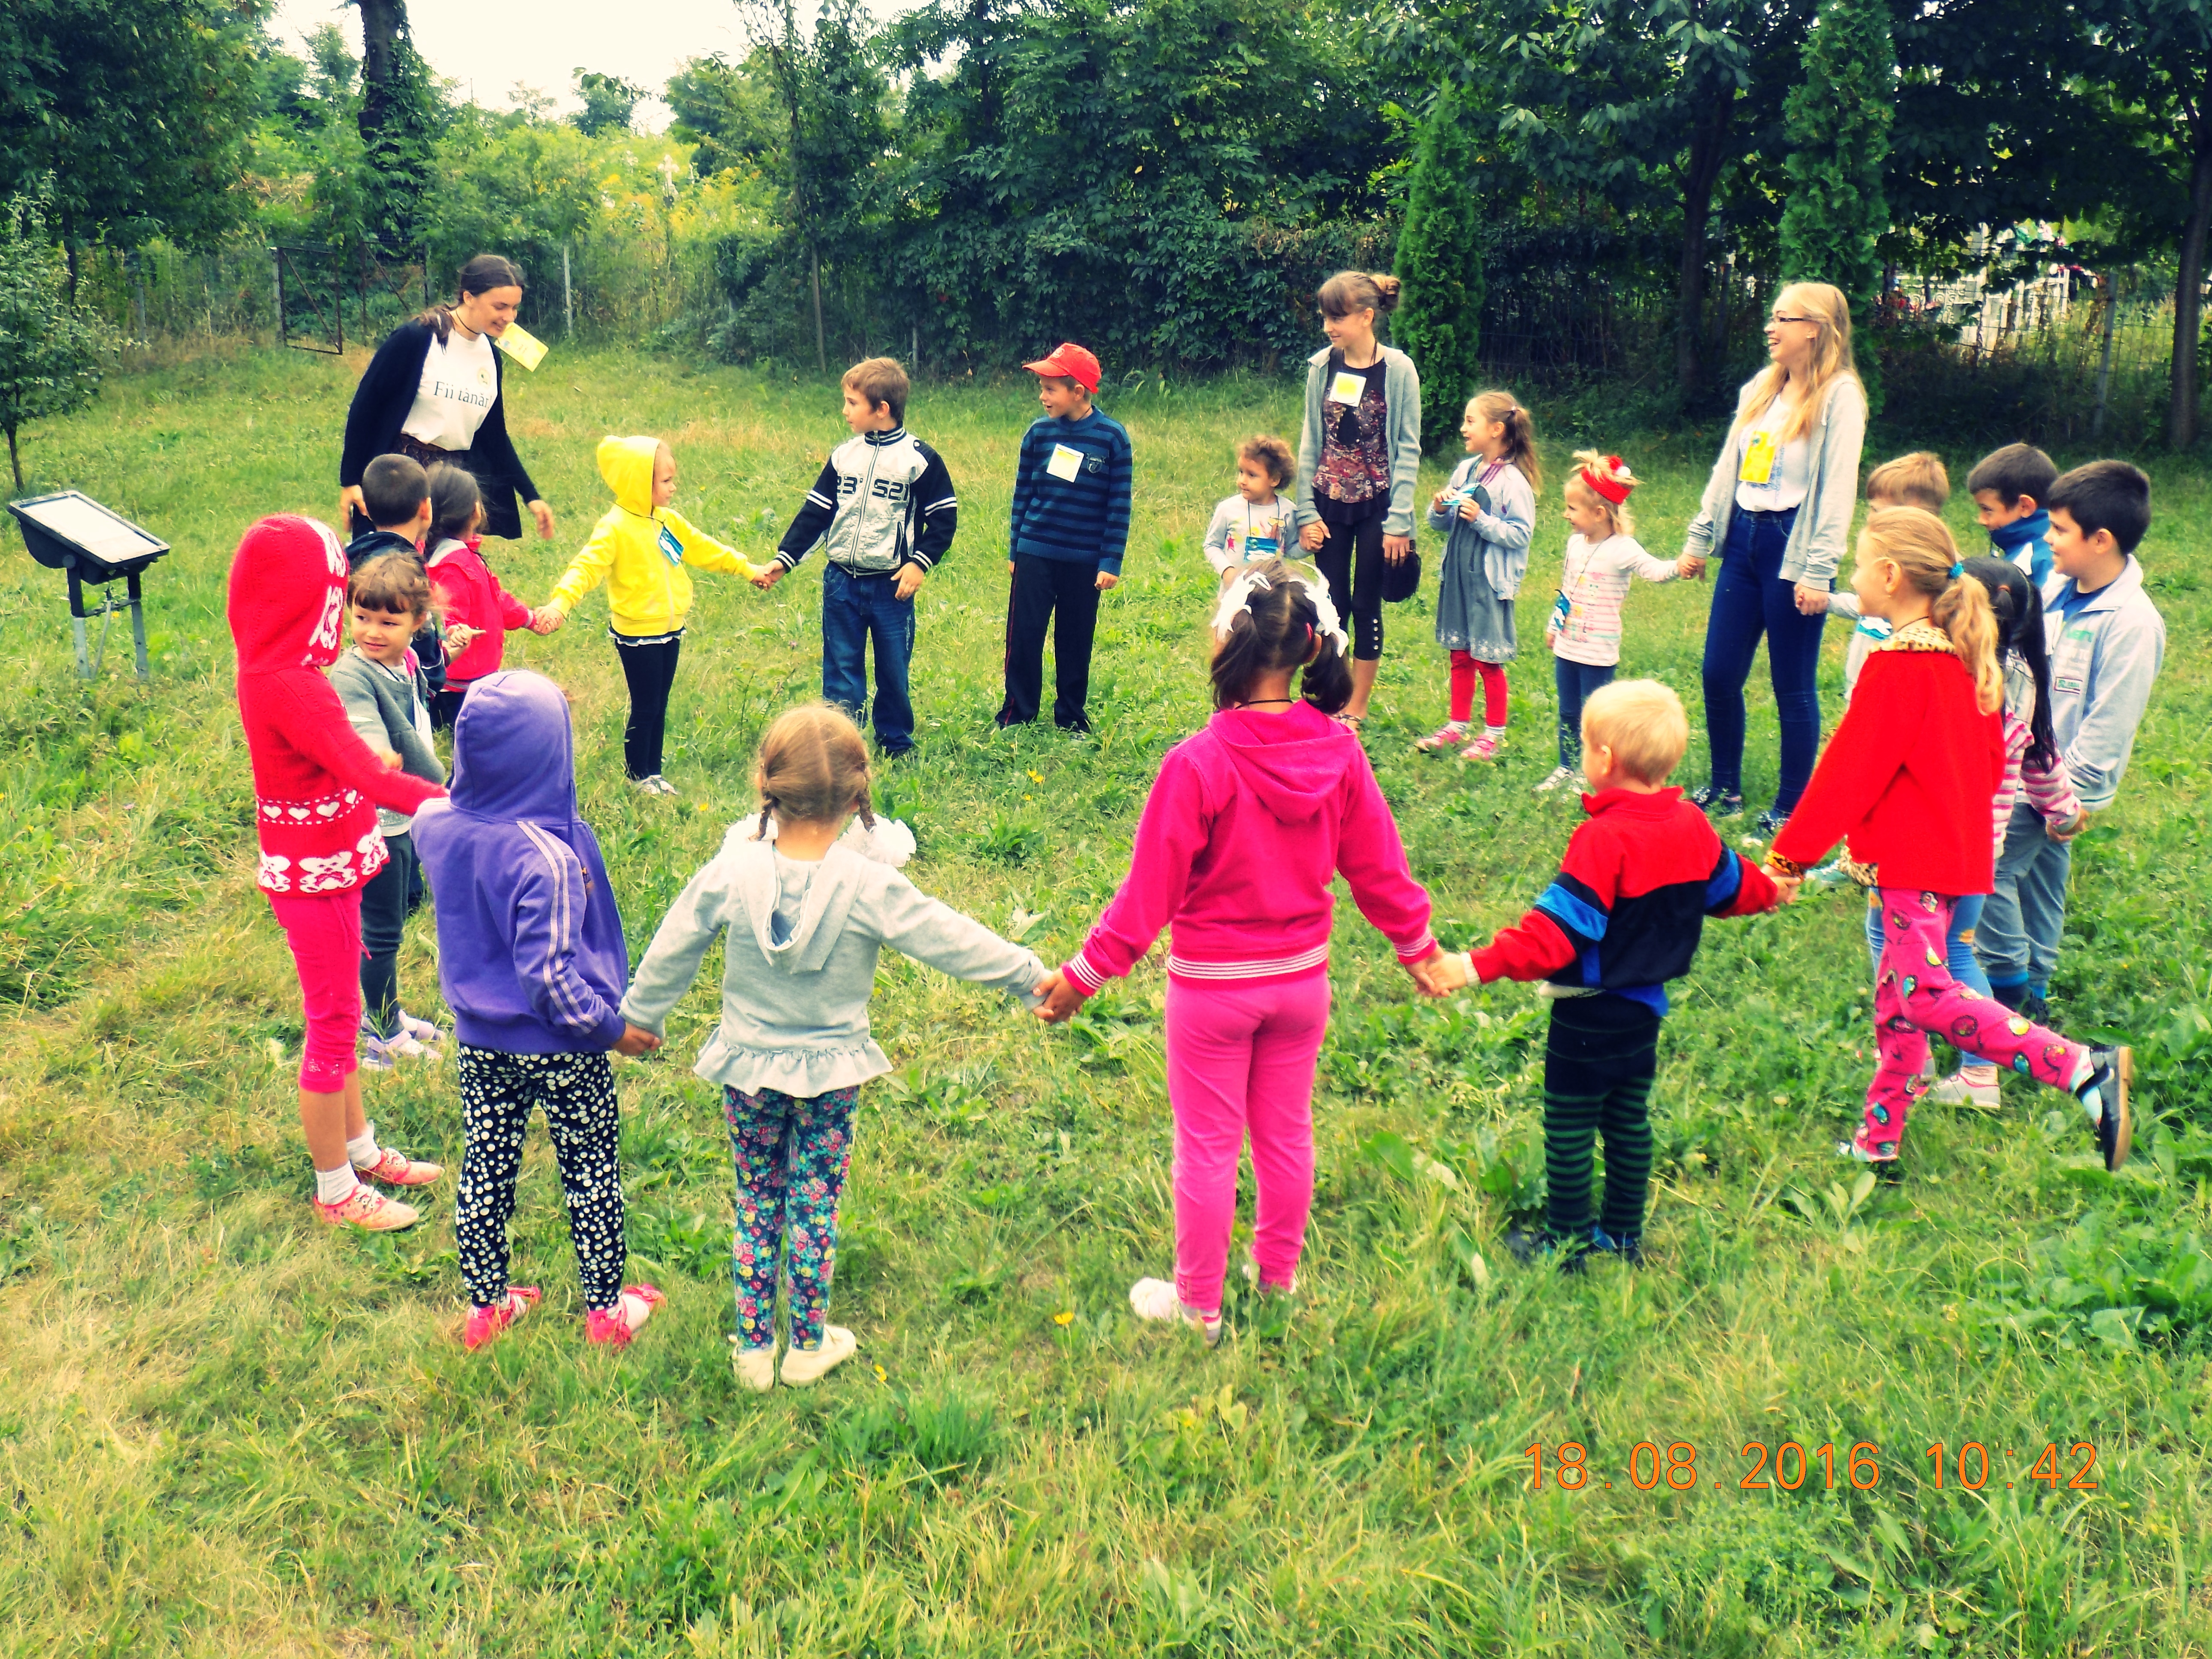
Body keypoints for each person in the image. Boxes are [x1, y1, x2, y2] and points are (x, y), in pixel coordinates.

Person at [1035, 560, 1455, 1343]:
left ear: (1229, 640)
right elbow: (1378, 868)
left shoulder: (1196, 761)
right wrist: (1417, 947)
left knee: (1207, 1145)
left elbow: (1146, 896)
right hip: (1300, 985)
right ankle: (1278, 1284)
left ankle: (1198, 1308)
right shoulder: (1340, 751)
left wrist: (1082, 976)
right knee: (1287, 1133)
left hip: (1213, 993)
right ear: (1309, 647)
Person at [620, 705, 1048, 1391]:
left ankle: (754, 1350)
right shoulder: (870, 886)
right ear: (858, 795)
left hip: (748, 1069)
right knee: (814, 1203)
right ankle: (807, 1347)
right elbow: (950, 937)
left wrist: (638, 1018)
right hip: (831, 1077)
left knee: (757, 1199)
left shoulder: (732, 872)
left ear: (766, 784)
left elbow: (675, 943)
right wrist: (1030, 976)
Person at [1766, 508, 2133, 1173]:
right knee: (1897, 1009)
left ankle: (2081, 1067)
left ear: (1889, 574)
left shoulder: (1901, 666)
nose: (1854, 575)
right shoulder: (1961, 663)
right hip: (1947, 861)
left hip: (1914, 862)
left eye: (1857, 563)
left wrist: (1789, 858)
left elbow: (1847, 774)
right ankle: (1879, 1142)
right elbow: (1989, 769)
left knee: (1925, 995)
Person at [1448, 681, 1784, 1266]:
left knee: (1571, 1127)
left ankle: (1569, 1241)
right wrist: (1772, 890)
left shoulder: (1603, 839)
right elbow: (1731, 887)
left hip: (1588, 1012)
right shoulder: (1691, 826)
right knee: (1629, 1122)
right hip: (1645, 1013)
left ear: (1605, 759)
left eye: (1585, 743)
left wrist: (1475, 966)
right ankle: (1625, 1237)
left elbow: (1554, 937)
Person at [410, 672, 668, 1351]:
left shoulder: (434, 823)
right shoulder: (546, 860)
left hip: (479, 1044)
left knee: (486, 1167)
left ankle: (487, 1306)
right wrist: (614, 1031)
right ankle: (607, 1310)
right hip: (562, 1047)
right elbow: (549, 980)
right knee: (590, 1171)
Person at [226, 516, 448, 1232]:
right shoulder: (293, 685)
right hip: (315, 872)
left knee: (344, 1016)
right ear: (309, 602)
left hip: (328, 859)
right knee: (331, 1027)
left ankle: (360, 1149)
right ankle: (334, 1187)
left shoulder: (278, 674)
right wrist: (455, 803)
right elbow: (361, 770)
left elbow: (340, 756)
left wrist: (367, 763)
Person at [1867, 556, 2081, 1109]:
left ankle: (1909, 1059)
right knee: (1957, 959)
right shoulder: (2023, 678)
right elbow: (2041, 758)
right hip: (1975, 860)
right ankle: (1975, 1077)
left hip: (1922, 853)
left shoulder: (1954, 677)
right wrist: (2063, 813)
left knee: (1899, 950)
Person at [1977, 461, 2164, 1022]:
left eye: (2059, 530)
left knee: (1990, 874)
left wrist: (2066, 801)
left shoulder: (2133, 622)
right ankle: (2035, 991)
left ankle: (2006, 992)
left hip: (2059, 787)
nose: (2048, 540)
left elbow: (2112, 722)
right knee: (2038, 882)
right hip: (2028, 767)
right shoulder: (2055, 588)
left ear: (2100, 540)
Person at [1680, 281, 1868, 835]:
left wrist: (1817, 571)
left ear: (1814, 329)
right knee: (1718, 672)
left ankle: (1791, 807)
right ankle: (1725, 787)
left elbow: (1837, 490)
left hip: (1795, 547)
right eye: (1773, 317)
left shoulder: (1840, 396)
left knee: (1792, 683)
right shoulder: (1762, 388)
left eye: (1783, 318)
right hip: (1743, 538)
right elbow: (1726, 468)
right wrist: (1702, 534)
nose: (1771, 327)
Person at [539, 436, 766, 795]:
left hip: (671, 628)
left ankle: (653, 772)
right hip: (637, 635)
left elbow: (704, 548)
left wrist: (747, 569)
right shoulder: (614, 528)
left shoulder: (667, 521)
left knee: (659, 704)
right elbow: (584, 568)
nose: (674, 488)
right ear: (639, 483)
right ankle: (636, 777)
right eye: (666, 481)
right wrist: (560, 604)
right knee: (645, 706)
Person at [758, 357, 957, 758]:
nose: (844, 411)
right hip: (841, 584)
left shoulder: (919, 460)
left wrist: (919, 563)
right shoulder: (843, 456)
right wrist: (785, 560)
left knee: (893, 671)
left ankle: (896, 742)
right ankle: (840, 746)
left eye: (852, 403)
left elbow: (943, 518)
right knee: (842, 670)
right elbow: (816, 514)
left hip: (891, 589)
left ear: (881, 409)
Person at [337, 253, 555, 545]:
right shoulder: (416, 339)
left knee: (446, 577)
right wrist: (351, 480)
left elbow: (494, 438)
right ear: (469, 297)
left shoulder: (490, 356)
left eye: (515, 307)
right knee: (393, 573)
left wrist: (532, 497)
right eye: (500, 306)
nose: (510, 317)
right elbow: (366, 407)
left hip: (452, 484)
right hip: (401, 476)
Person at [330, 553, 449, 1070]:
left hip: (407, 808)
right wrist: (375, 754)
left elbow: (417, 727)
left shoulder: (406, 664)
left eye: (388, 621)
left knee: (394, 920)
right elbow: (362, 725)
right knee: (381, 929)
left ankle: (388, 1013)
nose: (372, 632)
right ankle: (380, 1034)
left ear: (417, 622)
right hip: (378, 818)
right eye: (361, 617)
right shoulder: (353, 675)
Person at [1294, 272, 1422, 726]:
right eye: (1325, 316)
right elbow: (1311, 439)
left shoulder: (1399, 370)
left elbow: (1408, 448)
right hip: (1328, 502)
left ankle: (1357, 707)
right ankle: (1328, 697)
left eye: (1338, 317)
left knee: (1366, 602)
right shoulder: (1320, 367)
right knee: (1329, 603)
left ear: (1367, 317)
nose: (1329, 325)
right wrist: (1305, 511)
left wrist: (1399, 521)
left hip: (1379, 506)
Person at [1530, 452, 1692, 795]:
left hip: (1598, 653)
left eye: (1573, 509)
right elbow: (1568, 588)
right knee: (1568, 712)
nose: (1566, 514)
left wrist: (1680, 565)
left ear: (1599, 513)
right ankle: (1566, 766)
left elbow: (1655, 571)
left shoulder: (1623, 549)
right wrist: (1553, 625)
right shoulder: (1575, 544)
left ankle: (1591, 775)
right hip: (1568, 645)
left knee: (1597, 720)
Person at [997, 342, 1132, 733]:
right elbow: (1022, 493)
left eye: (1050, 389)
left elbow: (1118, 505)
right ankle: (1017, 712)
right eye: (1041, 387)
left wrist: (1110, 560)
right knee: (1024, 636)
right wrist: (1015, 549)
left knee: (1075, 640)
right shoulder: (1038, 435)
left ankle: (1071, 715)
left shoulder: (1112, 439)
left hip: (1085, 560)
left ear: (1079, 392)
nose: (1042, 396)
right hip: (1035, 552)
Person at [1415, 392, 1541, 762]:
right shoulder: (1466, 471)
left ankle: (1495, 733)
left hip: (1488, 582)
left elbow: (1521, 534)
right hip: (1457, 577)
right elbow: (1442, 523)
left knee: (1488, 659)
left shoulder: (1513, 482)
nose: (1463, 428)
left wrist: (1482, 520)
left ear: (1497, 429)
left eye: (1471, 421)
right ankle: (1458, 725)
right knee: (1460, 654)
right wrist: (1439, 508)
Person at [423, 463, 553, 729]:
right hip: (460, 686)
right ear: (475, 511)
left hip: (469, 678)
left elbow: (495, 599)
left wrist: (528, 618)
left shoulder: (460, 557)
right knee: (469, 739)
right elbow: (448, 615)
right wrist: (455, 633)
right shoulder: (455, 566)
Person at [343, 454, 449, 708]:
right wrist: (436, 671)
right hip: (401, 691)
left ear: (365, 507)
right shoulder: (406, 569)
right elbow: (423, 650)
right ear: (426, 508)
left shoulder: (356, 555)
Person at [1202, 435, 1303, 582]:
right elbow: (1211, 545)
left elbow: (1289, 550)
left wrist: (1305, 547)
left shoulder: (1288, 511)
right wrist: (1226, 570)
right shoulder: (1228, 509)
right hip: (1236, 591)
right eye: (1241, 472)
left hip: (1272, 594)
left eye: (1252, 475)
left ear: (1275, 479)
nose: (1242, 481)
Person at [1966, 442, 2058, 587]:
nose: (1981, 520)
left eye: (1987, 510)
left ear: (2025, 507)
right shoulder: (2025, 549)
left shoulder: (2039, 563)